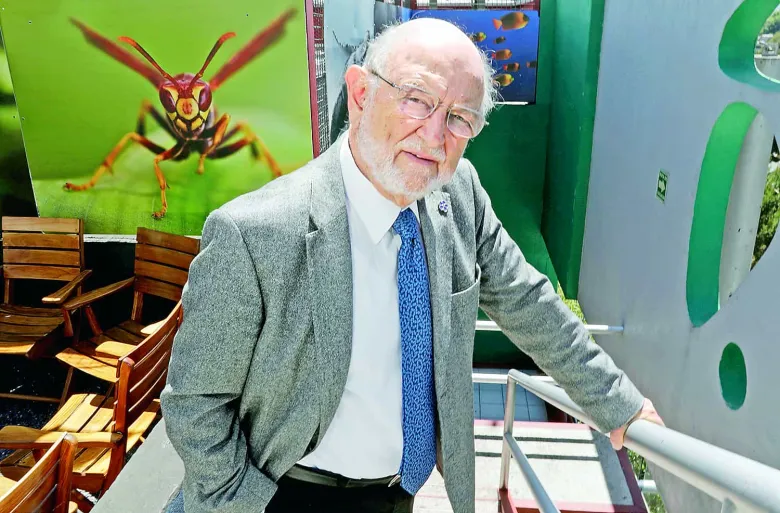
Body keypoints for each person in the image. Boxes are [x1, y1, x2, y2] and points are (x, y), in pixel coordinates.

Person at [160, 17, 664, 513]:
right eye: (417, 100)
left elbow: (529, 303)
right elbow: (195, 403)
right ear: (361, 94)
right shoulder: (254, 234)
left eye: (460, 118)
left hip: (399, 493)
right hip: (283, 492)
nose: (435, 134)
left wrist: (620, 404)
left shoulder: (458, 194)